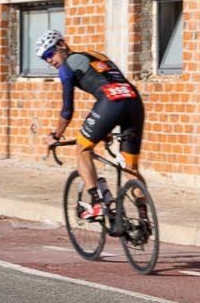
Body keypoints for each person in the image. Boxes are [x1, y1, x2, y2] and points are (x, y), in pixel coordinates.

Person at [36, 30, 147, 220]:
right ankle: (145, 220)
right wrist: (104, 128)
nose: (49, 61)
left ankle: (97, 202)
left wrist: (56, 135)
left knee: (82, 148)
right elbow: (110, 82)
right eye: (44, 59)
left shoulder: (66, 68)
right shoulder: (96, 55)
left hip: (110, 103)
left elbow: (67, 110)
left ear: (62, 45)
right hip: (134, 101)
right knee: (130, 167)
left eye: (50, 54)